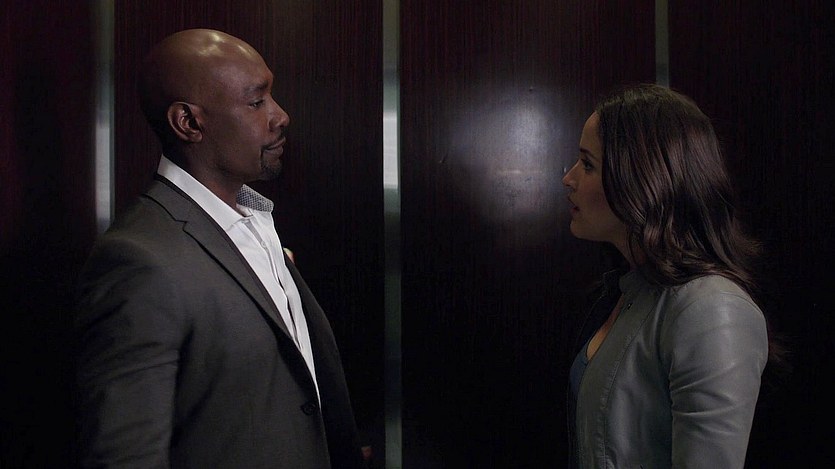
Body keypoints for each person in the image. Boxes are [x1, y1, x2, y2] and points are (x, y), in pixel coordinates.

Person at [74, 29, 363, 468]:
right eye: (256, 102)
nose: (281, 115)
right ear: (188, 123)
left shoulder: (253, 223)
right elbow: (126, 456)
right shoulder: (140, 260)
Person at [563, 84, 770, 468]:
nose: (569, 179)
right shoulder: (626, 290)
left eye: (587, 164)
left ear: (641, 178)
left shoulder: (711, 309)